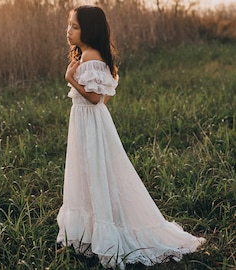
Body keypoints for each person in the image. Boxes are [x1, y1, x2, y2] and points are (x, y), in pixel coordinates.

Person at [56, 5, 206, 270]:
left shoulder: (89, 58)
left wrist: (71, 78)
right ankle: (92, 231)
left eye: (75, 26)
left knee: (91, 172)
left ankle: (101, 234)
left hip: (89, 122)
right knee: (95, 172)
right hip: (93, 123)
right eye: (69, 25)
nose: (69, 31)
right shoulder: (96, 55)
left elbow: (93, 99)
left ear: (89, 30)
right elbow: (106, 98)